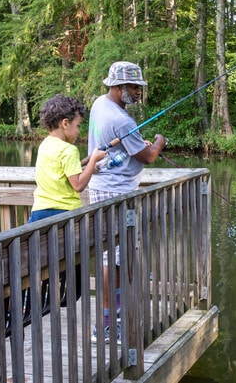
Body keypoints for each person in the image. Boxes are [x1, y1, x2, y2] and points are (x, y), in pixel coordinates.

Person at [87, 61, 167, 343]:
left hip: (104, 187)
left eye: (139, 87)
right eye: (134, 87)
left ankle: (114, 317)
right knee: (114, 259)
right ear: (118, 87)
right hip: (115, 192)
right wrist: (158, 141)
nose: (138, 92)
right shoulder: (121, 120)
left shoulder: (100, 105)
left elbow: (124, 145)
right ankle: (107, 325)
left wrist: (136, 142)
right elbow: (148, 157)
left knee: (115, 257)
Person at [28, 94, 106, 223]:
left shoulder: (44, 145)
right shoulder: (69, 150)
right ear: (65, 123)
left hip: (39, 210)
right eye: (78, 125)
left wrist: (89, 168)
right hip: (64, 213)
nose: (79, 131)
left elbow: (61, 175)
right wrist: (93, 160)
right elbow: (78, 185)